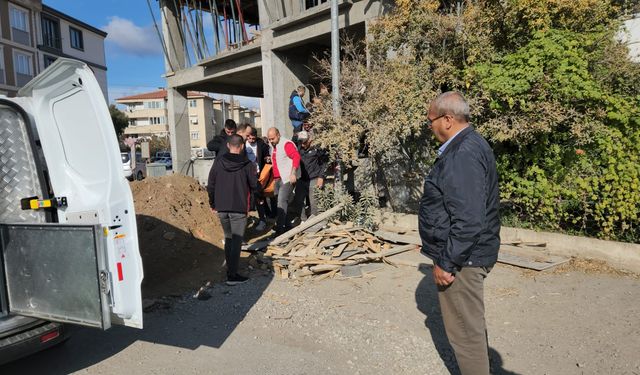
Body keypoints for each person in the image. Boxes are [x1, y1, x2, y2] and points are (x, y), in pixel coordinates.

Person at [418, 91, 500, 375]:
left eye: (430, 121)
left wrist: (447, 261)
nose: (429, 127)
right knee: (471, 328)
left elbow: (468, 219)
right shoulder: (468, 145)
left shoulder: (462, 153)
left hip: (464, 260)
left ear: (448, 120)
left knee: (466, 334)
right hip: (468, 254)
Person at [207, 134, 262, 285]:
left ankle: (230, 270)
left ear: (228, 146)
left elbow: (211, 185)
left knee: (229, 238)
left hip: (222, 208)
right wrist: (260, 199)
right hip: (239, 208)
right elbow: (254, 185)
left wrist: (213, 203)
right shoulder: (247, 165)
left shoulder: (218, 163)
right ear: (242, 146)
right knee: (236, 241)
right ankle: (232, 275)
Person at [267, 127, 301, 235]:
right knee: (282, 204)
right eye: (269, 139)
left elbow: (296, 157)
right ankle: (288, 227)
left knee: (281, 202)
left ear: (278, 135)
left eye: (272, 138)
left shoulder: (286, 144)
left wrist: (293, 173)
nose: (271, 141)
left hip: (286, 178)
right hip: (277, 179)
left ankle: (280, 229)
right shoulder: (273, 146)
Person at [290, 131, 328, 221]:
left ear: (309, 140)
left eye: (304, 142)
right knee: (298, 200)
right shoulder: (299, 148)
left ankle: (314, 222)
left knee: (314, 203)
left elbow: (324, 163)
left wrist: (321, 177)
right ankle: (303, 220)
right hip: (302, 179)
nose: (302, 145)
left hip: (314, 178)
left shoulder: (317, 148)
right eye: (301, 142)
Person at [246, 128, 271, 231]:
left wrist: (267, 158)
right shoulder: (243, 144)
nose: (252, 140)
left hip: (258, 174)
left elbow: (266, 154)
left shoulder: (261, 144)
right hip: (246, 174)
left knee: (259, 196)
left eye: (253, 138)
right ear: (247, 136)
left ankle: (262, 220)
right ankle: (246, 219)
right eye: (250, 138)